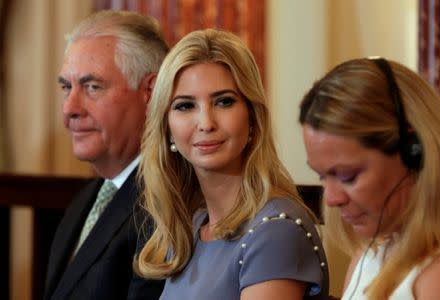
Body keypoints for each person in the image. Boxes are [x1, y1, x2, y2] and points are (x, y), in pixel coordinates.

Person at [135, 28, 329, 300]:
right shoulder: (190, 228)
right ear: (166, 127)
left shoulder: (275, 230)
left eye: (224, 102)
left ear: (252, 117)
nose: (206, 123)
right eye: (185, 106)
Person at [299, 57, 440, 299]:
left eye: (347, 176)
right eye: (322, 176)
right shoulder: (370, 252)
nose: (331, 199)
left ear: (415, 152)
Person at [44, 10, 169, 300]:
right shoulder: (84, 200)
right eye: (66, 87)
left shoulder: (168, 207)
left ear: (150, 91)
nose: (69, 108)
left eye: (92, 87)